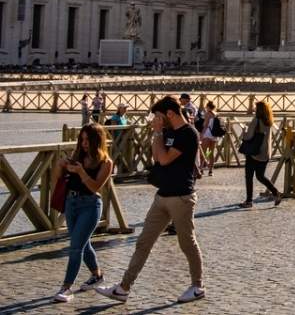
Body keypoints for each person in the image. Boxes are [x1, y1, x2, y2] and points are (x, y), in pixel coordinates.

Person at [98, 96, 205, 304]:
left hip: (181, 196)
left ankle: (198, 286)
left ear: (170, 114)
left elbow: (164, 159)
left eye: (158, 116)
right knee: (143, 242)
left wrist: (157, 132)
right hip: (162, 195)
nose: (155, 119)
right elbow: (157, 157)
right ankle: (123, 288)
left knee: (187, 243)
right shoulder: (168, 132)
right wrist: (158, 134)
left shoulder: (188, 134)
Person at [52, 123, 114, 303]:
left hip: (90, 205)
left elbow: (95, 187)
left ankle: (66, 287)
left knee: (75, 246)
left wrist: (80, 172)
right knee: (83, 243)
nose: (84, 143)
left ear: (97, 140)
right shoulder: (77, 156)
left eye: (88, 139)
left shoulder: (106, 162)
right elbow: (57, 177)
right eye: (82, 139)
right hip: (71, 203)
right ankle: (97, 275)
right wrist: (60, 165)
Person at [238, 101, 282, 208]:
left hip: (254, 153)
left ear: (259, 110)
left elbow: (248, 137)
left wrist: (243, 131)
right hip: (265, 153)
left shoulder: (256, 120)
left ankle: (249, 201)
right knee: (260, 176)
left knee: (249, 176)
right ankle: (276, 193)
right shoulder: (269, 121)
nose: (254, 109)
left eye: (255, 108)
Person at [197, 102, 224, 177]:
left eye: (206, 107)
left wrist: (201, 135)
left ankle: (201, 169)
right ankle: (210, 170)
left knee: (203, 152)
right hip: (214, 136)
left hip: (207, 134)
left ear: (208, 107)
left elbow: (205, 125)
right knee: (211, 153)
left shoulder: (207, 114)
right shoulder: (216, 114)